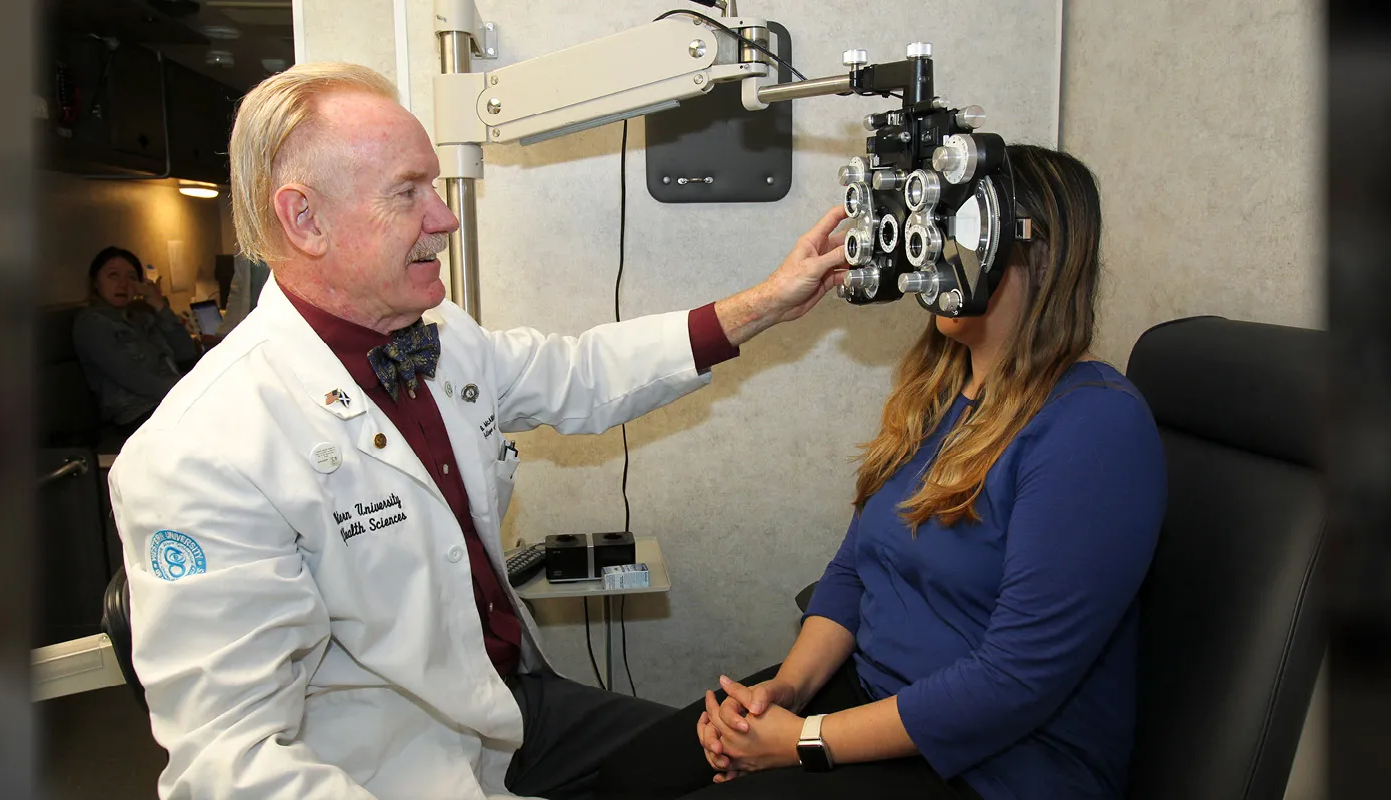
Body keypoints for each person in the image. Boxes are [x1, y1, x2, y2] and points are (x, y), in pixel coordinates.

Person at [106, 62, 849, 800]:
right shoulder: (199, 453)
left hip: (517, 708)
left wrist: (765, 305)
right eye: (408, 192)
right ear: (306, 220)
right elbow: (227, 767)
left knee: (738, 771)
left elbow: (580, 372)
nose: (446, 217)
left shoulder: (437, 335)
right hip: (384, 766)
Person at [593, 145, 1168, 800]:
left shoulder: (1093, 427)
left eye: (959, 235)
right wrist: (787, 692)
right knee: (627, 778)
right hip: (874, 700)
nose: (934, 258)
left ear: (1035, 255)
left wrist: (802, 742)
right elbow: (853, 570)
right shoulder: (940, 393)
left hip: (1001, 765)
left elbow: (1015, 682)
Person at [72, 245, 199, 437]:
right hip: (136, 415)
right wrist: (190, 394)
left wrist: (158, 304)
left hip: (170, 403)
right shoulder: (92, 323)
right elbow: (135, 378)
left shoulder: (143, 315)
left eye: (131, 277)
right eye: (113, 275)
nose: (123, 284)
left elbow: (186, 351)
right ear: (96, 282)